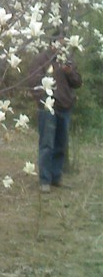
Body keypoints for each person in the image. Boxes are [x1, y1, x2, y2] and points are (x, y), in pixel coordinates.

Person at [29, 37, 82, 193]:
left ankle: (56, 177)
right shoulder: (41, 59)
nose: (60, 45)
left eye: (63, 43)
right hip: (48, 107)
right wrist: (43, 101)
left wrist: (70, 72)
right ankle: (44, 180)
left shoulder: (68, 60)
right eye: (58, 42)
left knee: (61, 143)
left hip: (65, 106)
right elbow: (33, 82)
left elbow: (78, 82)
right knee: (46, 143)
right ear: (51, 42)